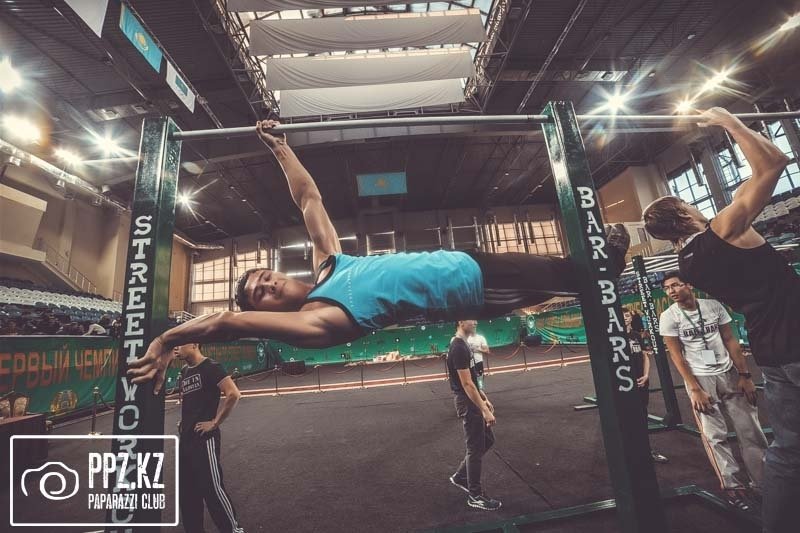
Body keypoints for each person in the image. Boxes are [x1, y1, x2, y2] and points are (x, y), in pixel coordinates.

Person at [128, 120, 631, 393]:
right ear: (265, 310)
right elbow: (227, 322)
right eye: (260, 292)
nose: (268, 282)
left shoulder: (329, 264)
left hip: (464, 259)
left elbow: (308, 200)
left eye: (264, 275)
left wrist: (280, 149)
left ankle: (602, 270)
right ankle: (608, 270)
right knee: (571, 273)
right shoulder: (315, 322)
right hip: (473, 286)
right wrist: (168, 338)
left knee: (565, 270)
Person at [642, 107, 797, 531]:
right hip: (796, 340)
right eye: (688, 202)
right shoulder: (726, 230)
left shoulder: (688, 262)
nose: (695, 205)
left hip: (771, 351)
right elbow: (774, 162)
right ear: (683, 215)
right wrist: (728, 121)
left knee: (789, 450)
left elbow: (757, 174)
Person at [657, 271, 767, 510]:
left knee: (751, 430)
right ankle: (733, 487)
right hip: (700, 378)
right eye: (667, 288)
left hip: (728, 373)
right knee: (715, 436)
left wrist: (745, 375)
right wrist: (694, 388)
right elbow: (676, 355)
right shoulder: (669, 316)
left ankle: (762, 485)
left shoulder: (713, 306)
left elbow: (730, 340)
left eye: (675, 285)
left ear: (689, 285)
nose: (672, 291)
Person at [174, 343, 244, 533]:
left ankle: (233, 530)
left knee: (212, 490)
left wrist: (214, 422)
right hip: (186, 439)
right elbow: (193, 402)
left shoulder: (211, 367)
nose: (176, 349)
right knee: (187, 492)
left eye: (180, 344)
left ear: (194, 344)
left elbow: (233, 394)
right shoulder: (185, 370)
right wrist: (185, 421)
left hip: (204, 440)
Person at [447, 320, 500, 510]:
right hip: (467, 402)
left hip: (473, 399)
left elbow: (472, 378)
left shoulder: (464, 344)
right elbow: (466, 384)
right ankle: (475, 495)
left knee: (488, 440)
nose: (475, 321)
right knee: (475, 449)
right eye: (471, 318)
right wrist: (484, 410)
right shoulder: (458, 347)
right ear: (460, 322)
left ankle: (461, 476)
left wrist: (484, 397)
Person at [623, 307, 668, 464]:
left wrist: (646, 375)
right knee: (627, 416)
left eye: (627, 315)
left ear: (631, 318)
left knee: (642, 415)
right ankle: (629, 450)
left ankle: (646, 449)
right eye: (621, 316)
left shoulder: (637, 336)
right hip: (625, 384)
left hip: (641, 381)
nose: (625, 318)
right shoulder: (615, 338)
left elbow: (645, 357)